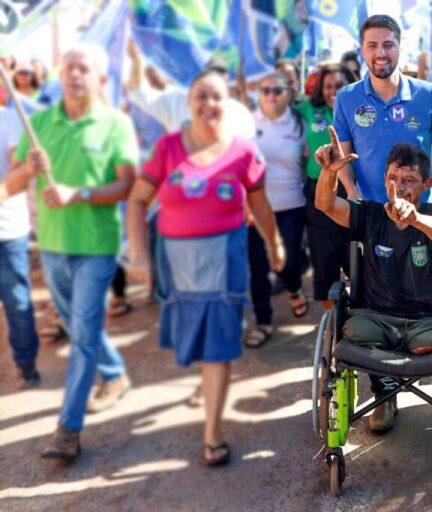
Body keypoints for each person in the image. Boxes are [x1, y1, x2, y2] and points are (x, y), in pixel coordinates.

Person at [125, 68, 285, 466]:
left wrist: (274, 242)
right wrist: (139, 254)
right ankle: (206, 384)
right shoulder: (166, 148)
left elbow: (261, 205)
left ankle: (212, 433)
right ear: (189, 102)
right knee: (194, 343)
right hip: (176, 268)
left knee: (218, 348)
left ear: (227, 103)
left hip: (224, 266)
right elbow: (136, 200)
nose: (208, 104)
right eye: (201, 96)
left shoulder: (245, 152)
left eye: (216, 96)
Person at [5, 44, 138, 460]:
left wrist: (77, 193)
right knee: (80, 325)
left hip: (96, 249)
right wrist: (28, 168)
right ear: (60, 77)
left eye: (84, 69)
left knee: (81, 335)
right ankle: (115, 374)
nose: (75, 75)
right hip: (52, 246)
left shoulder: (115, 124)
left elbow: (126, 186)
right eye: (69, 69)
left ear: (99, 78)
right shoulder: (39, 123)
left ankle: (68, 428)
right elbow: (10, 185)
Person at [315, 130, 432, 433]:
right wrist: (329, 174)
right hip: (377, 317)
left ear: (426, 185)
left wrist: (416, 220)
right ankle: (385, 396)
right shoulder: (370, 215)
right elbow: (326, 206)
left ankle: (391, 387)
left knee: (426, 344)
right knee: (355, 332)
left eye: (409, 180)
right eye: (393, 178)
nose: (400, 187)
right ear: (385, 180)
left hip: (428, 320)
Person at [332, 14, 432, 212]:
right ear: (362, 50)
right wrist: (351, 190)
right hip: (370, 213)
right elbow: (344, 155)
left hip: (420, 213)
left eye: (388, 45)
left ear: (399, 47)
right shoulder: (346, 97)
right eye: (372, 45)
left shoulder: (428, 94)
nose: (381, 53)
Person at [246, 72, 309, 347]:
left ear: (289, 93)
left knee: (289, 262)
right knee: (257, 267)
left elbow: (311, 161)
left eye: (277, 90)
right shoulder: (246, 123)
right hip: (255, 209)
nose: (271, 95)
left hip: (291, 206)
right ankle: (263, 321)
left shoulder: (299, 124)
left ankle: (294, 288)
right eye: (265, 90)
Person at [297, 64, 355, 309]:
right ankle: (330, 317)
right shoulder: (307, 110)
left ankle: (359, 309)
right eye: (328, 86)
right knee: (324, 255)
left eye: (339, 86)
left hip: (351, 189)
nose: (333, 91)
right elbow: (275, 112)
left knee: (354, 253)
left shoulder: (359, 111)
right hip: (318, 189)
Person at [125, 38, 255, 138]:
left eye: (217, 76)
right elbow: (139, 93)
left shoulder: (240, 114)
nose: (209, 103)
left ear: (225, 82)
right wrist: (136, 60)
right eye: (207, 75)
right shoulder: (178, 101)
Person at [0, 100, 40, 390]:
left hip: (7, 229)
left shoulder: (10, 119)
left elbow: (19, 166)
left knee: (16, 302)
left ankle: (26, 364)